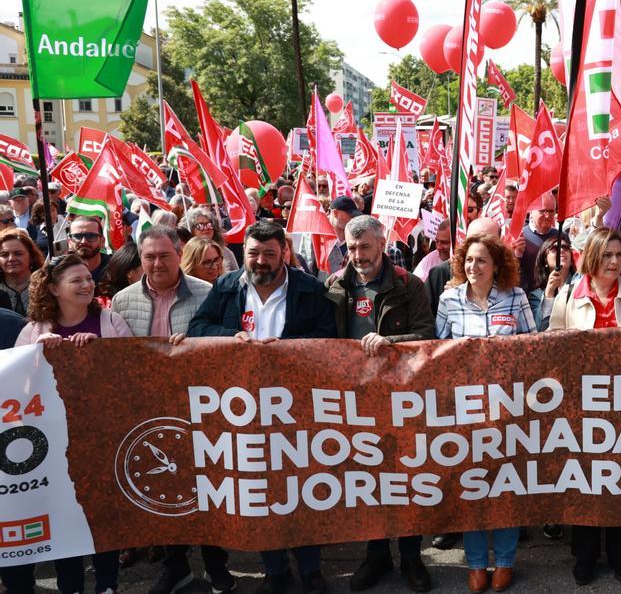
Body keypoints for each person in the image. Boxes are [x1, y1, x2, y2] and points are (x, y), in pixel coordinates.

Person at [188, 220, 336, 594]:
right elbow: (198, 327)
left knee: (301, 489)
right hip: (243, 407)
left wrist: (286, 351)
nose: (260, 261)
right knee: (263, 490)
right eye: (253, 253)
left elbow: (328, 337)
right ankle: (275, 571)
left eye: (269, 254)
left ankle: (310, 568)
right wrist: (231, 337)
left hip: (295, 405)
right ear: (243, 254)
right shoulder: (226, 286)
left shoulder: (310, 288)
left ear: (283, 253)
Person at [5, 254, 132, 594]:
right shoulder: (33, 331)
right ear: (53, 288)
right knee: (64, 518)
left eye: (88, 278)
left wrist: (101, 352)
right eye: (76, 280)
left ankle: (107, 585)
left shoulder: (110, 322)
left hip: (103, 440)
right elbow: (15, 393)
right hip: (54, 446)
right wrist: (36, 355)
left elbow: (132, 377)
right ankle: (71, 586)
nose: (87, 285)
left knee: (103, 516)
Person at [111, 229, 226, 594]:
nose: (157, 263)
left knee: (207, 487)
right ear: (139, 259)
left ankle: (215, 564)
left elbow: (221, 344)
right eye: (149, 257)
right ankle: (175, 564)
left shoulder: (209, 293)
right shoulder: (123, 300)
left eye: (164, 255)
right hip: (150, 410)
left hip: (200, 407)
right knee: (166, 489)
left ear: (179, 254)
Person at [324, 215, 434, 592]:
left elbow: (426, 336)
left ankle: (411, 555)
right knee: (367, 479)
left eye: (365, 247)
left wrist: (390, 342)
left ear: (382, 245)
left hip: (402, 399)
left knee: (406, 478)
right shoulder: (336, 286)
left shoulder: (409, 285)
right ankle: (375, 555)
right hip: (354, 400)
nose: (357, 255)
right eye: (351, 248)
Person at [548, 228, 621, 585]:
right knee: (584, 482)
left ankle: (620, 554)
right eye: (606, 255)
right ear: (591, 256)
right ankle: (585, 555)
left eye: (619, 255)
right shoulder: (568, 297)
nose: (614, 262)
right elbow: (552, 347)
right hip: (582, 408)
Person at [435, 234, 535, 593]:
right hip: (464, 410)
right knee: (473, 487)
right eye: (468, 260)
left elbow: (532, 347)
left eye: (481, 261)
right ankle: (477, 563)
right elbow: (436, 353)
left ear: (497, 266)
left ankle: (505, 561)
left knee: (505, 485)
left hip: (508, 407)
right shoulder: (448, 300)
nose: (473, 267)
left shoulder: (516, 298)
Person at [526, 235, 575, 331]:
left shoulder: (581, 285)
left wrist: (565, 291)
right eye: (554, 248)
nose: (561, 250)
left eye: (565, 247)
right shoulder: (536, 296)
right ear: (545, 260)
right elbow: (540, 329)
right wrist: (548, 295)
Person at [519, 192, 564, 291]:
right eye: (542, 211)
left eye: (551, 211)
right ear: (531, 211)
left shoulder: (561, 237)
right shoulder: (520, 237)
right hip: (527, 297)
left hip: (554, 296)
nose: (547, 216)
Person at [0, 228, 43, 316]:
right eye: (4, 255)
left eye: (18, 253)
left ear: (31, 256)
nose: (11, 259)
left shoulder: (46, 287)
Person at [183, 207, 238, 272]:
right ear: (191, 229)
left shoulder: (226, 252)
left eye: (209, 225)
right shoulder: (184, 253)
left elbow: (236, 276)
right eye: (200, 226)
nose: (206, 228)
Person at [68, 215, 111, 283]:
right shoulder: (60, 271)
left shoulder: (116, 268)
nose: (83, 241)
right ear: (69, 242)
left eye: (91, 236)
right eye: (77, 236)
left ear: (102, 241)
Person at [326, 196, 362, 275]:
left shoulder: (356, 237)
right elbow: (308, 266)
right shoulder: (318, 236)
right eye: (350, 215)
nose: (353, 219)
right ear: (335, 213)